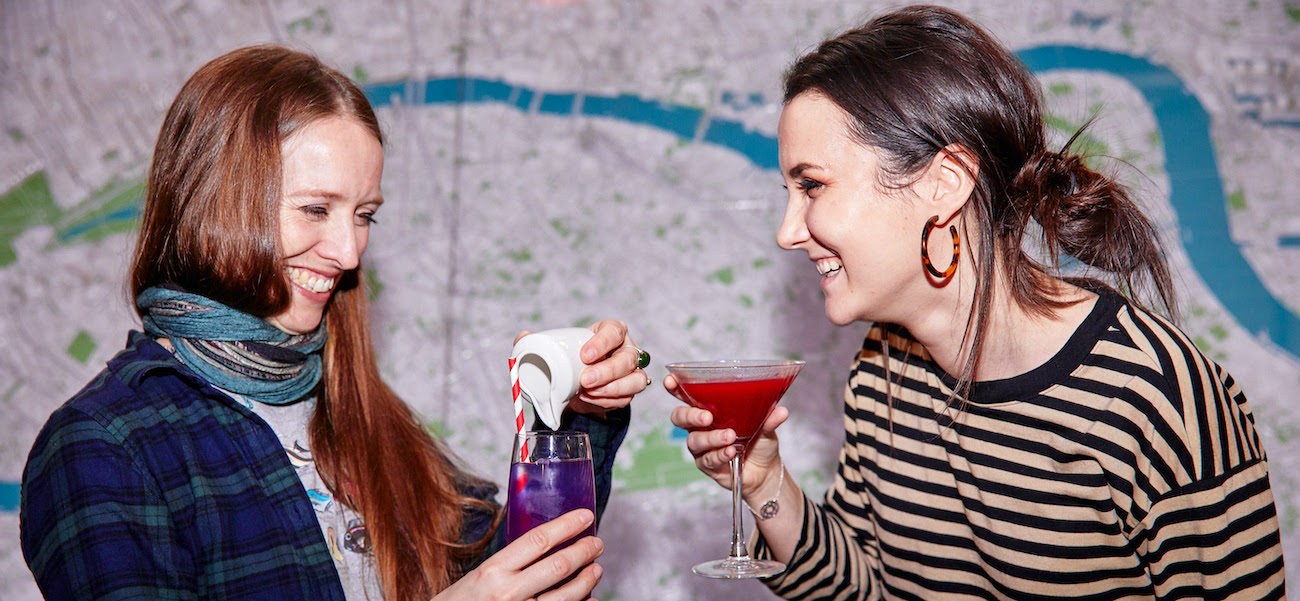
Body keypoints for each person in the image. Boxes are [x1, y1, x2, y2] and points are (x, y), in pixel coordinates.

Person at [670, 5, 1285, 600]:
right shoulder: (885, 365)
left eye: (812, 186)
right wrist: (764, 483)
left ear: (944, 182)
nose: (787, 231)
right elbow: (862, 586)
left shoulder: (1159, 398)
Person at [20, 45, 650, 601]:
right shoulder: (104, 446)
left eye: (364, 214)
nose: (350, 254)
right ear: (214, 200)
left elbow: (505, 570)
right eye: (316, 209)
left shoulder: (357, 408)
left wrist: (570, 411)